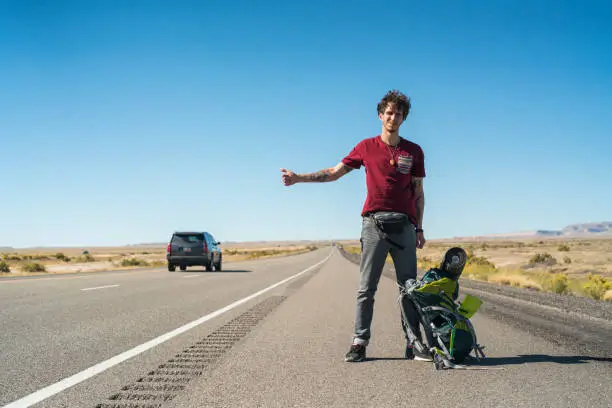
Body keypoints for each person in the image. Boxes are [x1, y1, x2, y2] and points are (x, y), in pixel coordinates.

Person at [280, 89, 427, 362]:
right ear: (381, 115)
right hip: (374, 226)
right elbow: (334, 173)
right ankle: (359, 342)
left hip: (405, 227)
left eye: (399, 114)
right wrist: (299, 178)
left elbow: (418, 193)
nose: (393, 118)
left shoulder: (413, 151)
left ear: (404, 118)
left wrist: (419, 228)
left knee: (409, 287)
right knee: (366, 288)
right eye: (389, 113)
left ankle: (414, 342)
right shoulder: (366, 147)